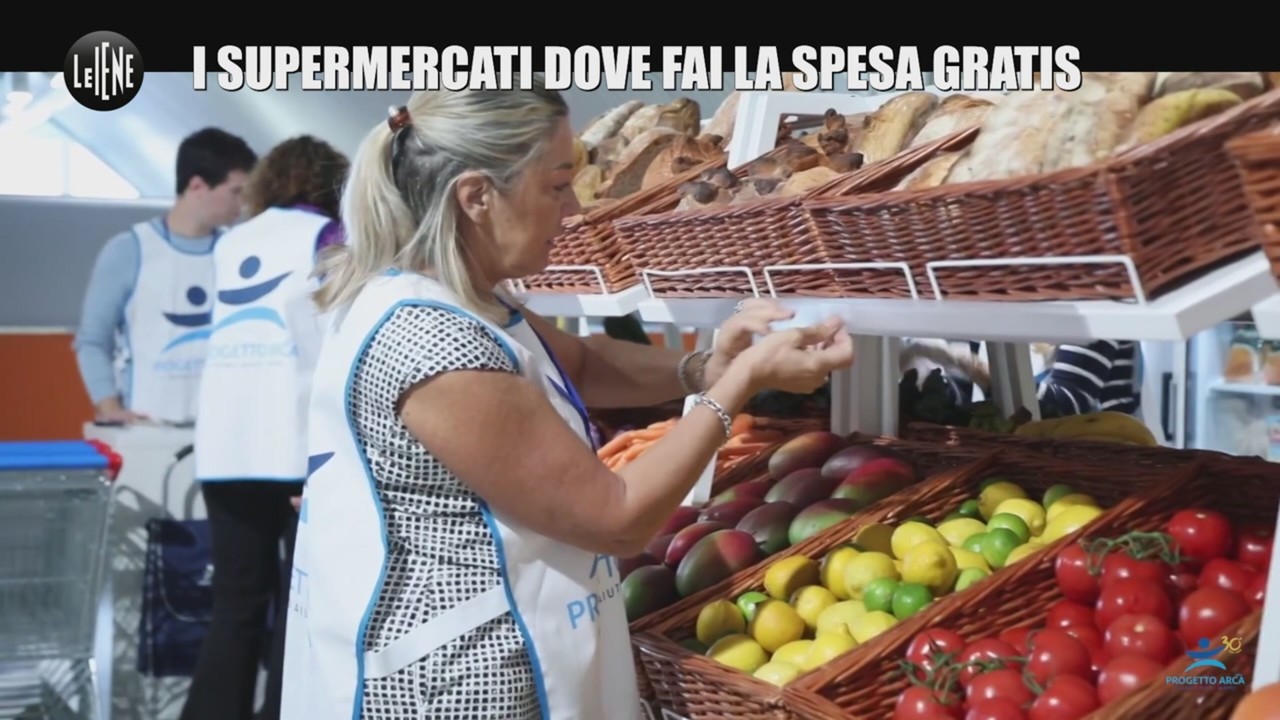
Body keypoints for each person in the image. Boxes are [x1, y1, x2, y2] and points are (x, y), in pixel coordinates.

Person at [279, 78, 854, 720]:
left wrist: (704, 365)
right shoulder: (432, 341)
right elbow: (617, 518)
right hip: (460, 689)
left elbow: (576, 362)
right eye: (556, 186)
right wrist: (736, 385)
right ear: (476, 197)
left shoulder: (450, 296)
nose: (575, 208)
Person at [185, 136, 349, 720]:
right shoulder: (328, 235)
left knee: (235, 605)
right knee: (300, 607)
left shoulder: (230, 241)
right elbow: (339, 330)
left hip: (224, 448)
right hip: (295, 447)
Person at [72, 128, 258, 425]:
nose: (243, 203)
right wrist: (109, 408)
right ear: (197, 186)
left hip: (222, 428)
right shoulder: (129, 250)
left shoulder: (237, 253)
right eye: (236, 192)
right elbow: (93, 341)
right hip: (147, 426)